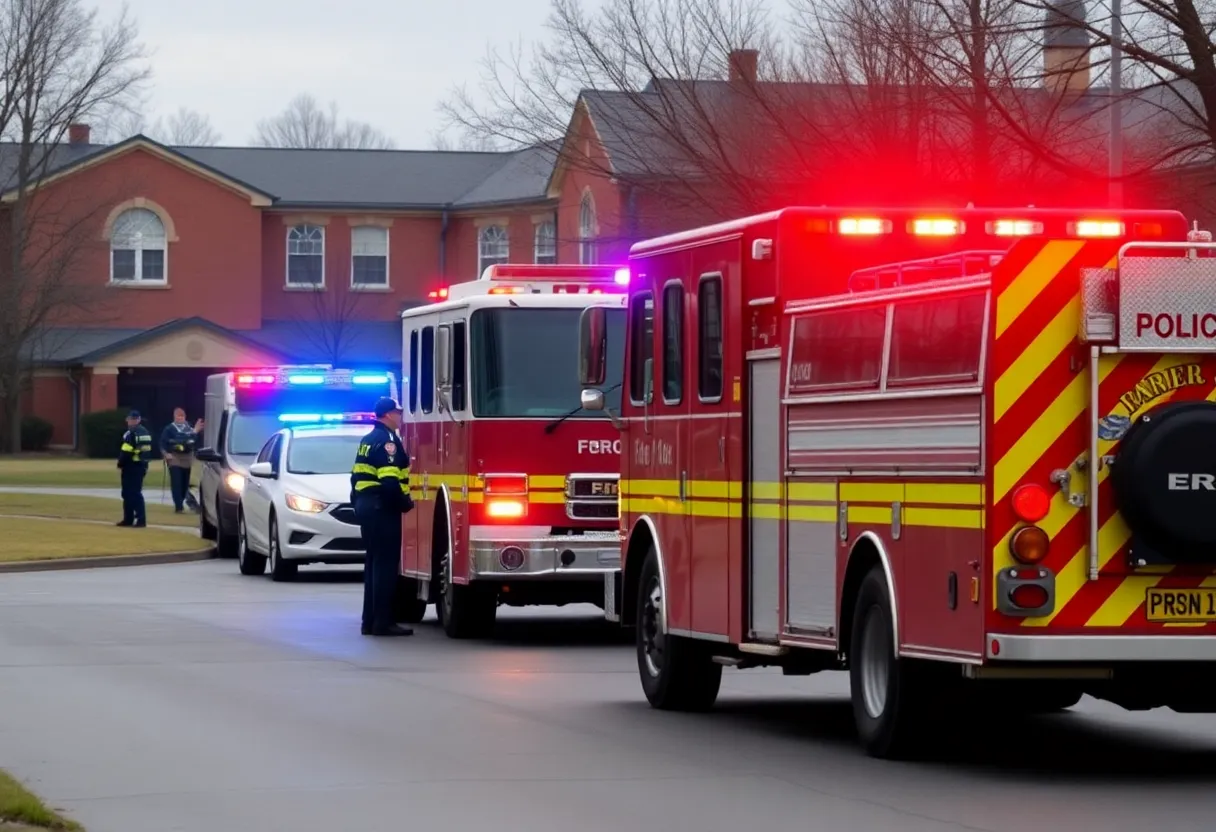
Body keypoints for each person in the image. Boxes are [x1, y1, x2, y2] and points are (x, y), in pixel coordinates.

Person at [351, 397, 415, 637]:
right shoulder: (388, 441)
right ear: (388, 415)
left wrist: (358, 502)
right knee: (386, 565)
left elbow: (355, 477)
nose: (400, 416)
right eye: (398, 413)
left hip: (368, 506)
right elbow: (389, 482)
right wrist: (404, 503)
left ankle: (369, 621)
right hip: (383, 508)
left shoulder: (367, 440)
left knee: (373, 564)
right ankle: (383, 622)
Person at [160, 408, 203, 513]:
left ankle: (184, 499)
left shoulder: (189, 428)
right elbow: (162, 443)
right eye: (178, 416)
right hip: (174, 458)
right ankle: (178, 506)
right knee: (176, 482)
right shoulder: (169, 429)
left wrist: (194, 433)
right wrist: (166, 454)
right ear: (174, 417)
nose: (180, 418)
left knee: (185, 483)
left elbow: (192, 440)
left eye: (182, 416)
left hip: (187, 459)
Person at [117, 410, 153, 527]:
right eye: (129, 419)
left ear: (138, 419)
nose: (130, 421)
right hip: (141, 466)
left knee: (131, 493)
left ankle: (137, 519)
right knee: (131, 493)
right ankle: (130, 519)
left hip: (132, 466)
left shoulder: (131, 433)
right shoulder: (144, 432)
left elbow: (126, 451)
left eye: (132, 419)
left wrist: (120, 463)